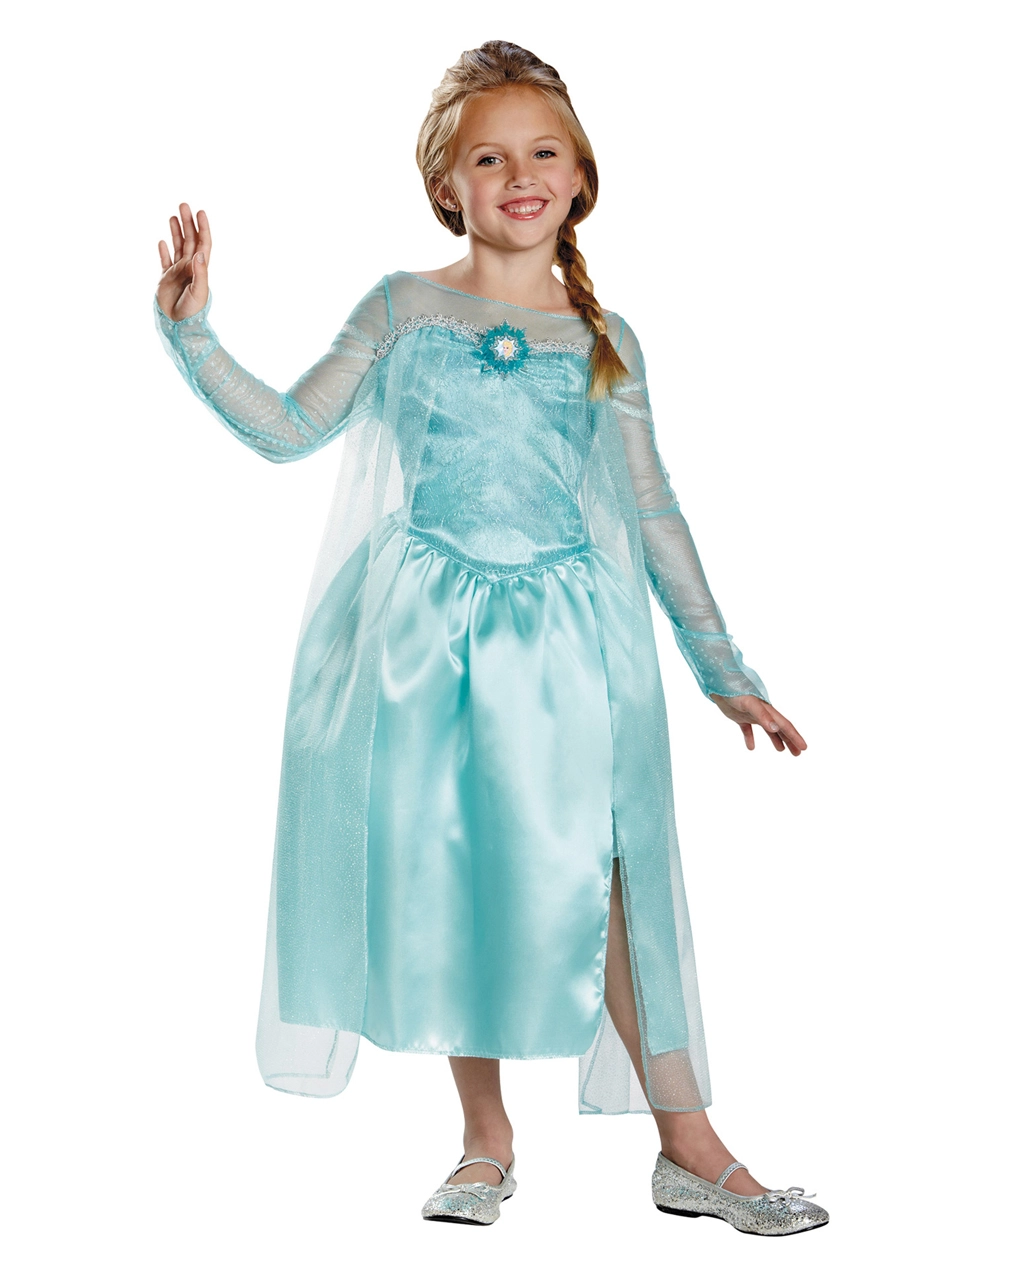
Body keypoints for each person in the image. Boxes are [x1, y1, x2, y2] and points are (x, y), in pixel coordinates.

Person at [154, 40, 828, 1236]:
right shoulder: (401, 307)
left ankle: (689, 1144)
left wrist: (724, 672)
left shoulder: (603, 336)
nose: (519, 175)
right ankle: (483, 1138)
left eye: (543, 152)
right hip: (424, 639)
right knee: (457, 869)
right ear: (444, 185)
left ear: (580, 176)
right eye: (488, 158)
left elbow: (652, 509)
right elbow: (292, 428)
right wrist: (196, 334)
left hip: (569, 645)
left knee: (610, 874)